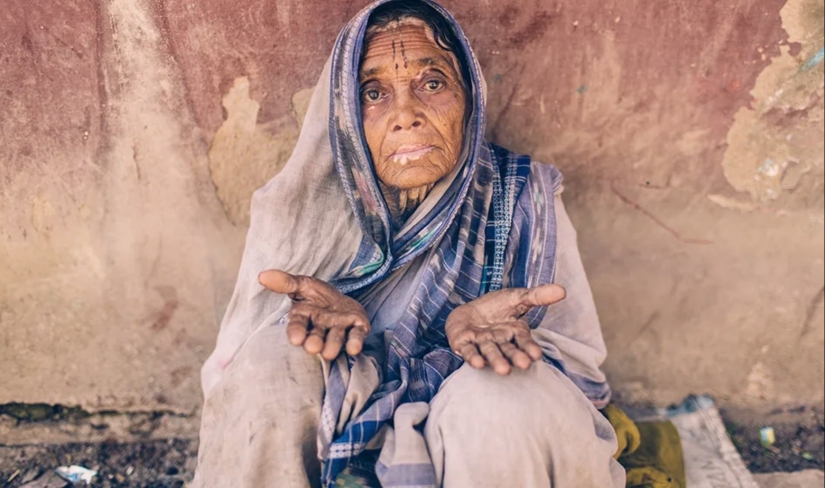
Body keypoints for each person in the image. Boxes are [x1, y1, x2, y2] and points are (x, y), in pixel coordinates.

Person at [192, 1, 625, 487]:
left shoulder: (521, 195)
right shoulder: (299, 208)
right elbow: (230, 375)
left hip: (471, 435)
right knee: (269, 367)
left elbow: (577, 372)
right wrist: (345, 323)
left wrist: (469, 343)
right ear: (345, 114)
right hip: (348, 401)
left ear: (470, 97)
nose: (406, 115)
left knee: (509, 394)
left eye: (432, 83)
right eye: (373, 93)